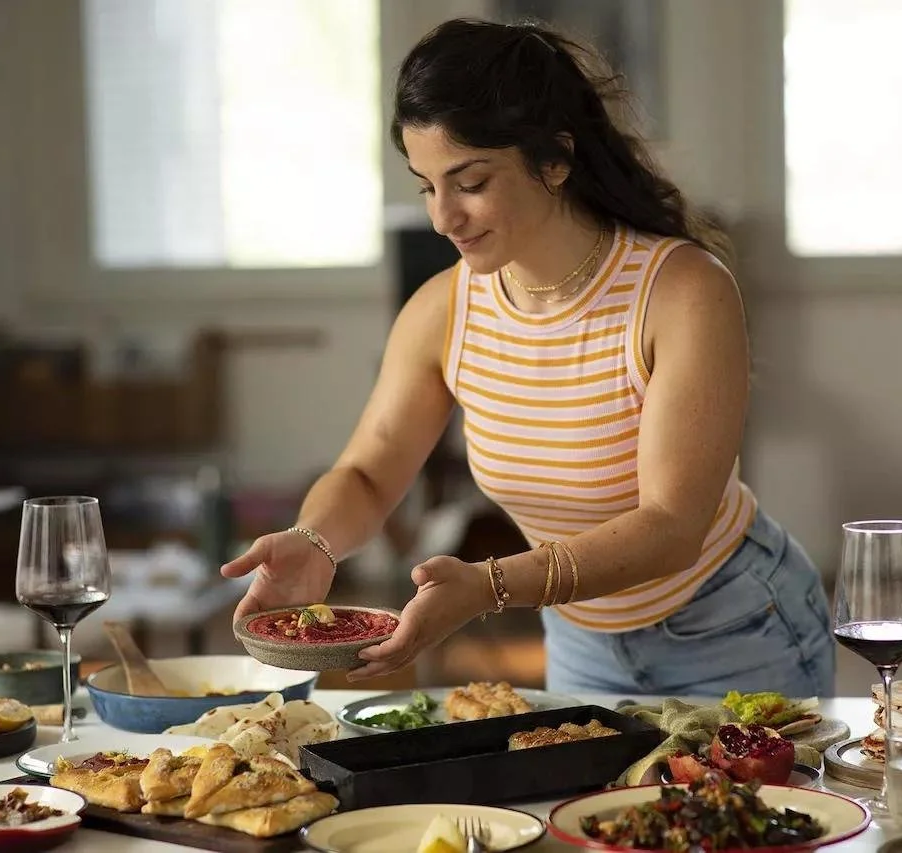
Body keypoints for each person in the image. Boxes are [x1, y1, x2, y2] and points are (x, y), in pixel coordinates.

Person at [223, 18, 835, 698]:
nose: (442, 217)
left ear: (555, 159)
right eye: (427, 186)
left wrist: (487, 586)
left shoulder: (684, 292)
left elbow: (672, 527)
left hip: (735, 628)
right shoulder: (443, 309)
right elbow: (368, 473)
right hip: (578, 641)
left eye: (470, 181)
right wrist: (314, 539)